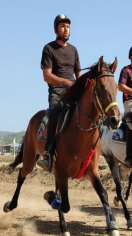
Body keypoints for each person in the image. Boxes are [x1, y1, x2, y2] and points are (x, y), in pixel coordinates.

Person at [37, 14, 81, 172]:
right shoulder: (49, 49)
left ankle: (92, 156)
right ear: (56, 30)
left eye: (68, 26)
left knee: (91, 112)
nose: (66, 29)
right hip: (57, 92)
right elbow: (46, 76)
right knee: (55, 113)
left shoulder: (74, 50)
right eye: (62, 26)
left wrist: (82, 87)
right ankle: (48, 155)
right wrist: (65, 82)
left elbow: (79, 75)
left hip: (73, 91)